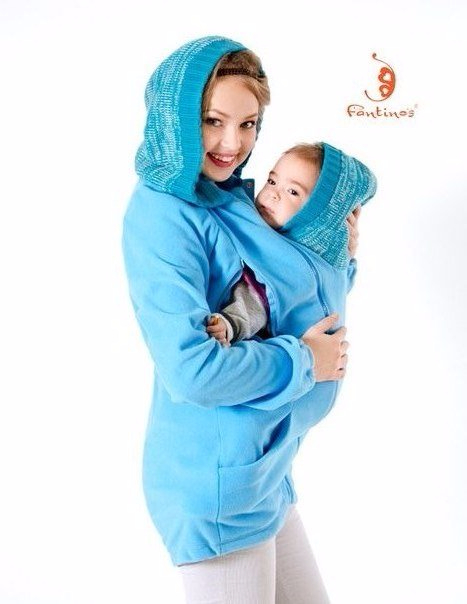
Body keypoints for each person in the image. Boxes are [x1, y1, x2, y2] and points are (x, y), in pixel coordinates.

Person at [122, 35, 365, 603]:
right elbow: (193, 372)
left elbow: (280, 295)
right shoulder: (162, 215)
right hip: (219, 488)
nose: (232, 144)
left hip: (265, 471)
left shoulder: (227, 196)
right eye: (213, 121)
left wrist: (339, 255)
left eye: (249, 124)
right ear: (178, 116)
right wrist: (306, 362)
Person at [206, 142, 376, 346]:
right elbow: (258, 298)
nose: (273, 193)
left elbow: (258, 300)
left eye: (293, 192)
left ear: (318, 215)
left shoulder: (301, 260)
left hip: (311, 360)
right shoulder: (294, 254)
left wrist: (230, 324)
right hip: (301, 358)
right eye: (272, 181)